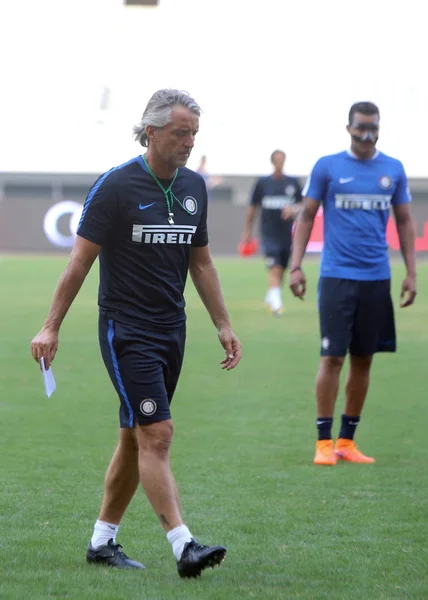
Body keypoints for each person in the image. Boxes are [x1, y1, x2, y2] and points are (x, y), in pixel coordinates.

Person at [30, 89, 242, 577]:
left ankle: (102, 543)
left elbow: (202, 263)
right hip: (126, 330)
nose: (189, 141)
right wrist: (50, 325)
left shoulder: (195, 187)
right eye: (179, 132)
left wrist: (223, 324)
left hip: (174, 329)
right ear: (151, 132)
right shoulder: (116, 186)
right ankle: (183, 545)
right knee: (158, 434)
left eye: (194, 133)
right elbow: (80, 261)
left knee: (134, 436)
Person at [289, 101, 417, 466]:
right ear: (348, 128)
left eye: (373, 127)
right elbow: (307, 214)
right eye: (361, 127)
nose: (367, 134)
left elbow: (405, 222)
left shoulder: (393, 169)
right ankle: (323, 442)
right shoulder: (328, 166)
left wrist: (411, 272)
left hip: (377, 278)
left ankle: (346, 440)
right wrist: (295, 266)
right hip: (336, 277)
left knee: (364, 360)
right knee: (332, 358)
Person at [242, 150, 302, 315]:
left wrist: (294, 209)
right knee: (274, 267)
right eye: (277, 160)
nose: (280, 163)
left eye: (282, 160)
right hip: (268, 234)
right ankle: (276, 304)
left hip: (287, 235)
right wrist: (247, 231)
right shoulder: (263, 183)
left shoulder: (293, 183)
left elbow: (303, 206)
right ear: (272, 162)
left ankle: (272, 295)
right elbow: (252, 208)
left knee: (281, 268)